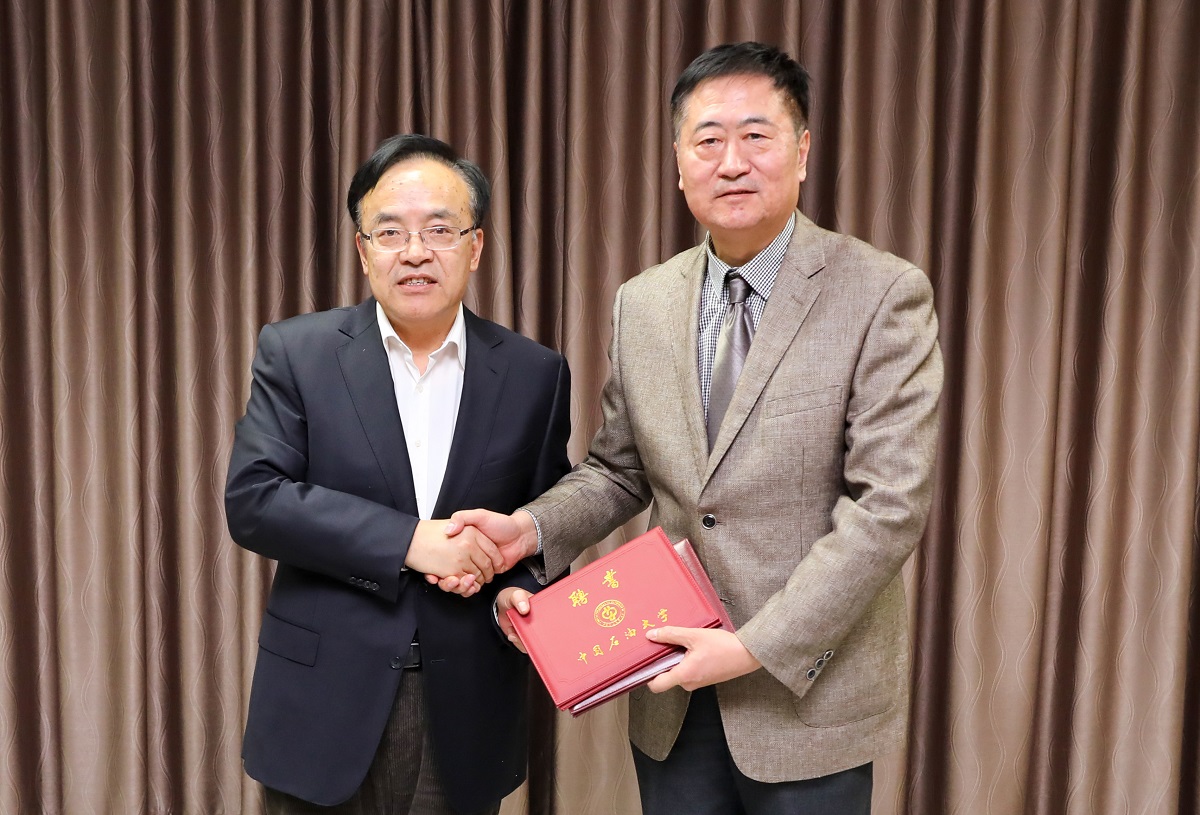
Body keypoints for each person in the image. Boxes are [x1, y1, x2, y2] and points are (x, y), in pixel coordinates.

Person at [445, 42, 943, 814]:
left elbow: (888, 506)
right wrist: (530, 530)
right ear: (679, 164)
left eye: (756, 135)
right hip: (672, 690)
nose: (731, 161)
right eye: (708, 140)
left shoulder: (881, 293)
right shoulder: (643, 301)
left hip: (806, 698)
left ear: (802, 151)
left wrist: (752, 647)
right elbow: (619, 469)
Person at [224, 134, 571, 814]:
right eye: (390, 232)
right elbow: (255, 500)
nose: (415, 251)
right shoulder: (297, 351)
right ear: (363, 251)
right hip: (321, 703)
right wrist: (411, 541)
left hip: (467, 704)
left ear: (475, 245)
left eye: (439, 229)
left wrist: (519, 591)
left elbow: (545, 521)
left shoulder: (534, 373)